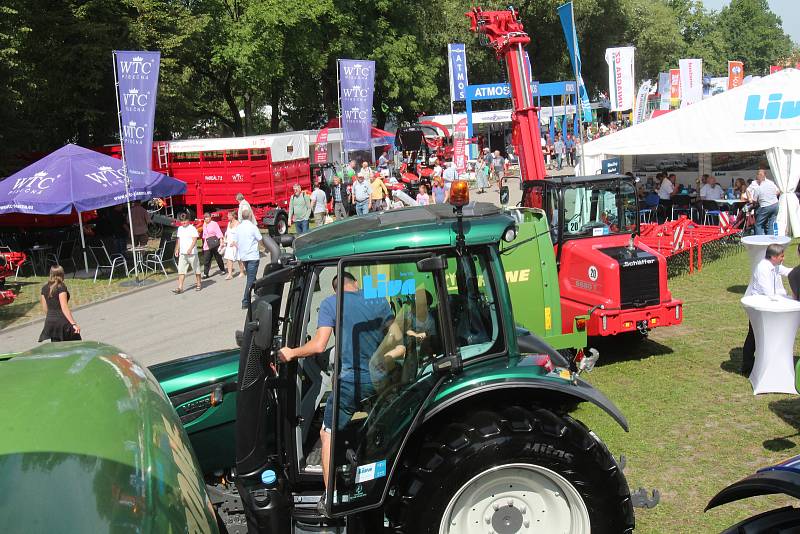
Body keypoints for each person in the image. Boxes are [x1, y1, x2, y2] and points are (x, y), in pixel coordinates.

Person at [278, 272, 400, 510]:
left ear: (337, 289)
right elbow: (396, 339)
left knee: (328, 434)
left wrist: (291, 353)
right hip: (380, 379)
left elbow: (319, 345)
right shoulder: (379, 300)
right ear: (355, 284)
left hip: (349, 383)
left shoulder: (331, 303)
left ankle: (330, 496)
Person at [741, 244, 792, 374]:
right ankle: (747, 366)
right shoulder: (763, 269)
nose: (783, 258)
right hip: (758, 308)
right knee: (753, 336)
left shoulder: (774, 266)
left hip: (765, 306)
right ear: (773, 257)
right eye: (781, 256)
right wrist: (785, 299)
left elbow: (787, 271)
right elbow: (768, 293)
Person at [38, 265, 81, 342]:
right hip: (62, 322)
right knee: (76, 345)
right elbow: (64, 307)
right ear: (62, 274)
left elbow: (45, 308)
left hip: (50, 322)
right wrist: (73, 324)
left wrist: (52, 318)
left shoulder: (44, 288)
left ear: (51, 274)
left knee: (57, 349)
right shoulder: (61, 287)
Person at [237, 207, 263, 309]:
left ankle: (259, 291)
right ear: (250, 216)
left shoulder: (239, 227)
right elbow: (260, 239)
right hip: (252, 256)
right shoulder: (252, 227)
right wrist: (264, 247)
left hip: (244, 256)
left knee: (252, 276)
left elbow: (236, 240)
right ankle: (245, 300)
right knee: (250, 279)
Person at [173, 212, 202, 294]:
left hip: (192, 253)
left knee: (196, 269)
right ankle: (180, 287)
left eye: (185, 222)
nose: (183, 223)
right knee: (181, 270)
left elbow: (194, 240)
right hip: (183, 253)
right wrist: (177, 249)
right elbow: (179, 240)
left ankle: (199, 283)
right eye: (182, 222)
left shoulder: (192, 228)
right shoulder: (180, 229)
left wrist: (190, 248)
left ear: (188, 221)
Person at [752, 169, 780, 235]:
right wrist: (771, 197)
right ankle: (770, 240)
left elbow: (754, 201)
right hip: (775, 205)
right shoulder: (771, 183)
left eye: (757, 176)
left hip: (765, 206)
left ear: (759, 176)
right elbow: (778, 191)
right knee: (771, 224)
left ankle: (759, 240)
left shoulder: (758, 188)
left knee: (758, 224)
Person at [201, 213, 225, 278]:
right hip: (207, 243)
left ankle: (222, 269)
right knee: (206, 259)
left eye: (208, 217)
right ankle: (206, 273)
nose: (207, 218)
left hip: (214, 242)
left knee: (218, 257)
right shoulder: (204, 224)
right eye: (205, 217)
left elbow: (218, 232)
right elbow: (204, 235)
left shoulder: (214, 223)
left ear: (210, 217)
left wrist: (221, 241)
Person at [223, 211, 244, 279]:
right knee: (229, 258)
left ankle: (242, 272)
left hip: (236, 243)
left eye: (229, 215)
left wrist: (235, 242)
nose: (228, 217)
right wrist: (224, 239)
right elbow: (227, 232)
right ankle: (230, 274)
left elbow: (240, 234)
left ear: (233, 216)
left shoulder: (238, 223)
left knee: (239, 258)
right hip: (229, 243)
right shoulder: (229, 223)